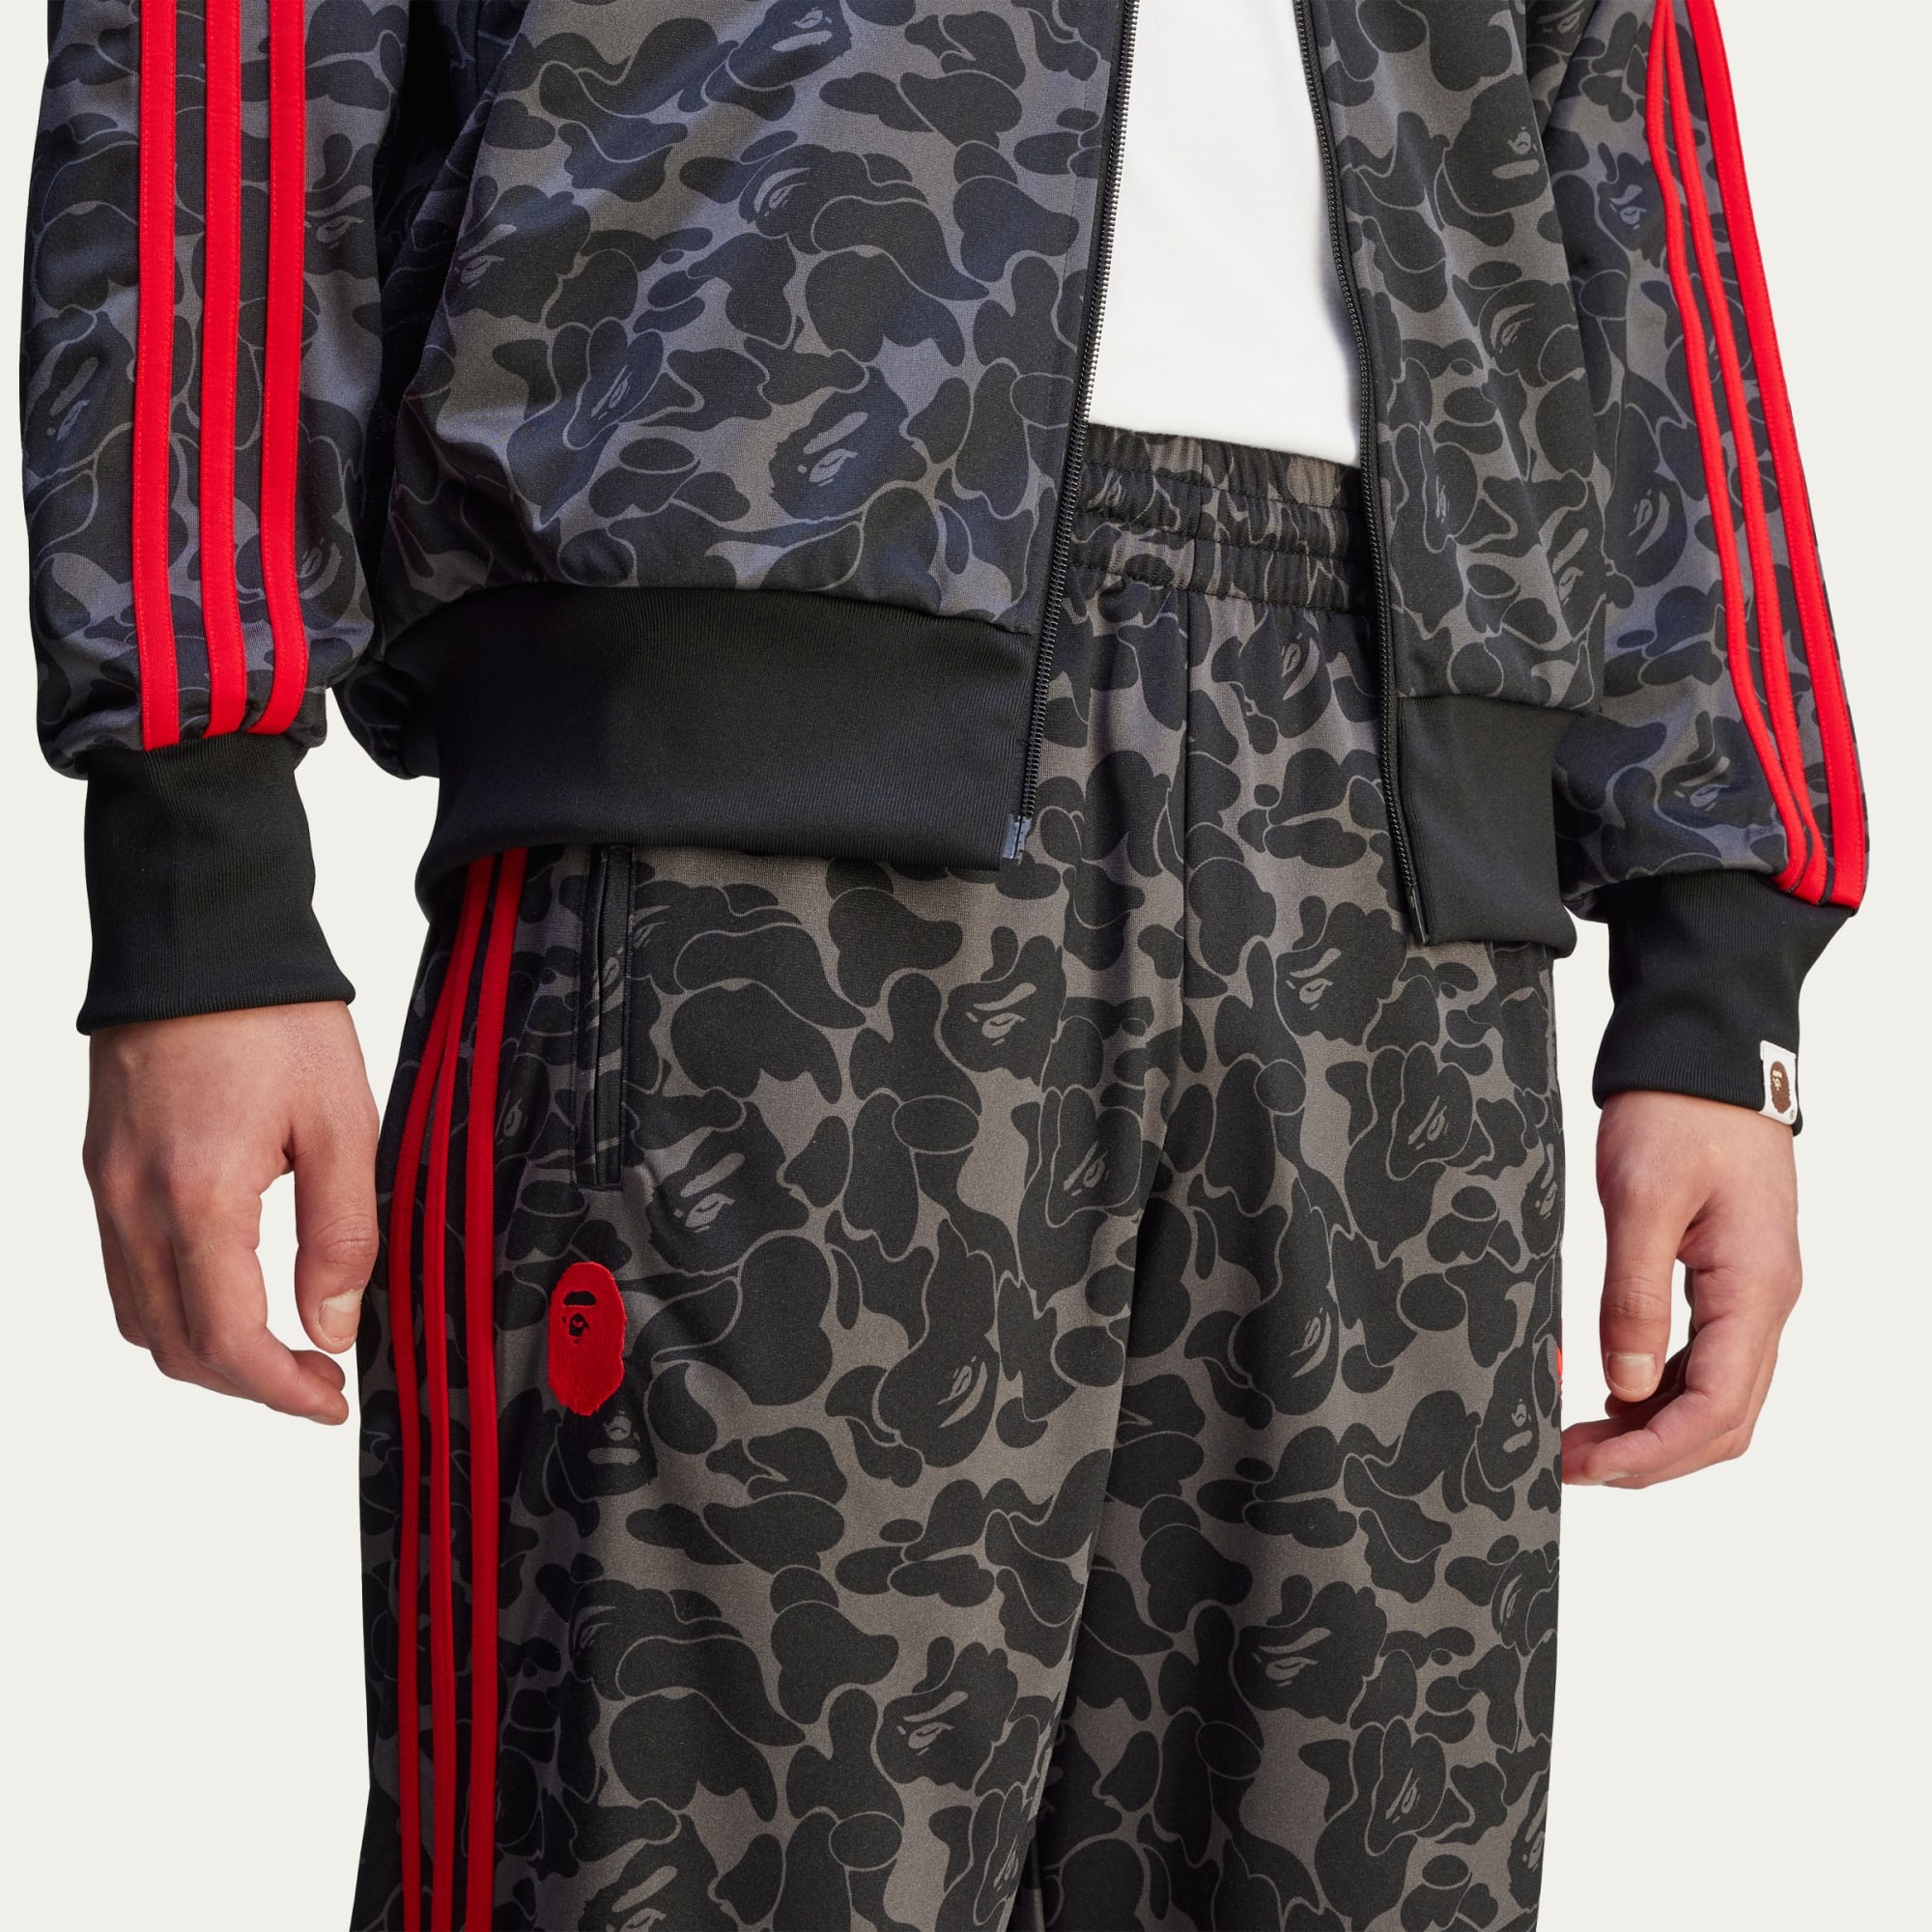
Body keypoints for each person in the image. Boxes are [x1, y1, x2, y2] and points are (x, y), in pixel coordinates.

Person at [22, 2, 1864, 1926]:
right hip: (741, 830)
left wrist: (1719, 973)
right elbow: (217, 59)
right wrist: (198, 861)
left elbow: (1633, 139)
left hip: (1401, 877)